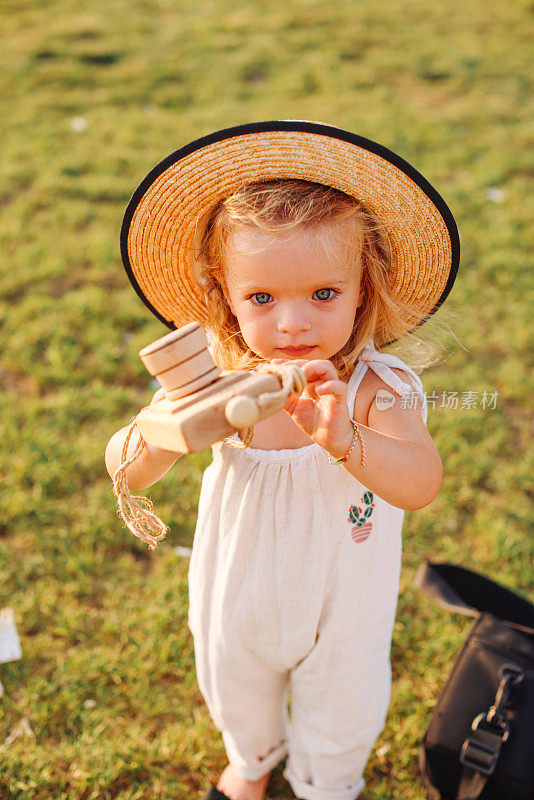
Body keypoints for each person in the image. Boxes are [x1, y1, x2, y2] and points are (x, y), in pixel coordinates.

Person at [106, 122, 460, 800]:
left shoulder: (373, 389)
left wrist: (346, 441)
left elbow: (421, 483)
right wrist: (160, 432)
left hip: (343, 597)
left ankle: (327, 781)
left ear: (364, 288)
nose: (293, 324)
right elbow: (126, 468)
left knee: (344, 699)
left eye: (323, 295)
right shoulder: (217, 381)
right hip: (239, 584)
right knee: (234, 678)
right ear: (226, 298)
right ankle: (252, 759)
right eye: (262, 299)